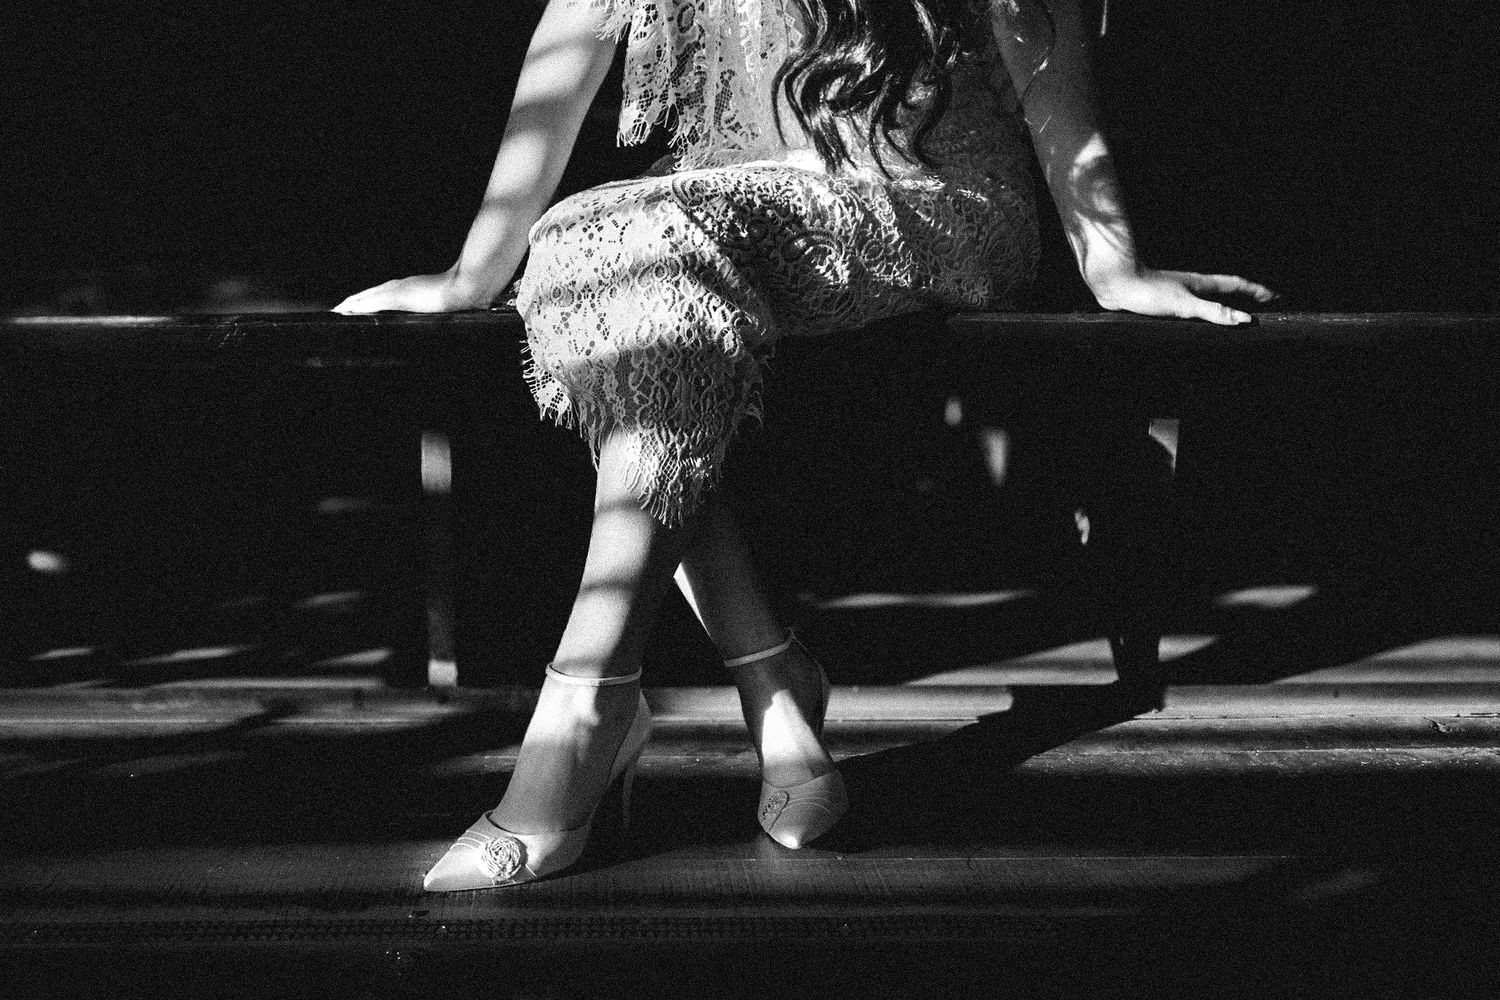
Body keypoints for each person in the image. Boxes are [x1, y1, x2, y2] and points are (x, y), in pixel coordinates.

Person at [335, 0, 1274, 891]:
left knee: (637, 249)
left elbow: (1042, 30)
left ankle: (588, 702)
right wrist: (474, 273)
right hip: (735, 198)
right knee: (613, 262)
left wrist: (1112, 263)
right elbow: (575, 26)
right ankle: (770, 682)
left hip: (935, 190)